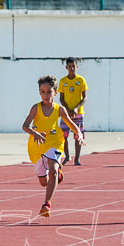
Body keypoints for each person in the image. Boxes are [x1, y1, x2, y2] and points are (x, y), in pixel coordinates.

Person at [23, 75, 84, 218]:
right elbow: (25, 126)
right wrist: (35, 133)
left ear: (55, 93)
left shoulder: (59, 109)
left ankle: (46, 205)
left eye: (49, 91)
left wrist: (79, 134)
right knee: (43, 182)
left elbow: (70, 123)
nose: (45, 95)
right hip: (37, 147)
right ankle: (54, 173)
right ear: (39, 92)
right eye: (42, 91)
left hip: (55, 144)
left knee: (53, 171)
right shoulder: (36, 108)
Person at [58, 56, 87, 166]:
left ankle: (77, 159)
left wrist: (76, 108)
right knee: (64, 135)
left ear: (77, 67)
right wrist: (67, 110)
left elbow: (84, 97)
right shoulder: (63, 81)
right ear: (66, 67)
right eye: (69, 66)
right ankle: (67, 156)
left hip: (78, 113)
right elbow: (61, 98)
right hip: (66, 114)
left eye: (73, 66)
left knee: (78, 135)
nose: (72, 68)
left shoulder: (80, 80)